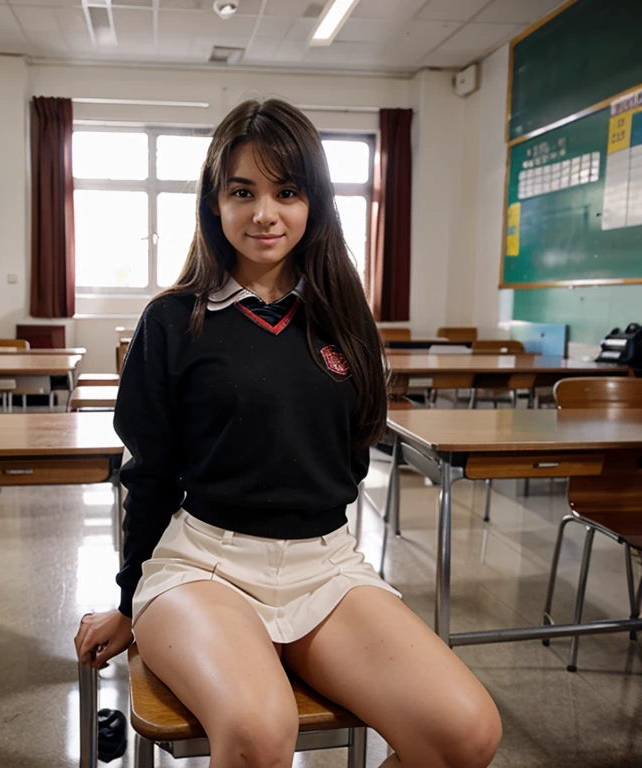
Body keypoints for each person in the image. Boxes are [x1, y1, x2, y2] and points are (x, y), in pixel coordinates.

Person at [74, 98, 502, 768]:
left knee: (467, 732)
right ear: (214, 204)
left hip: (325, 567)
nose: (264, 213)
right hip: (203, 566)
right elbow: (149, 476)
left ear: (315, 204)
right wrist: (128, 600)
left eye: (287, 191)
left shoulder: (344, 318)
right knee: (257, 730)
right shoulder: (172, 321)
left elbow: (352, 450)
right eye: (241, 191)